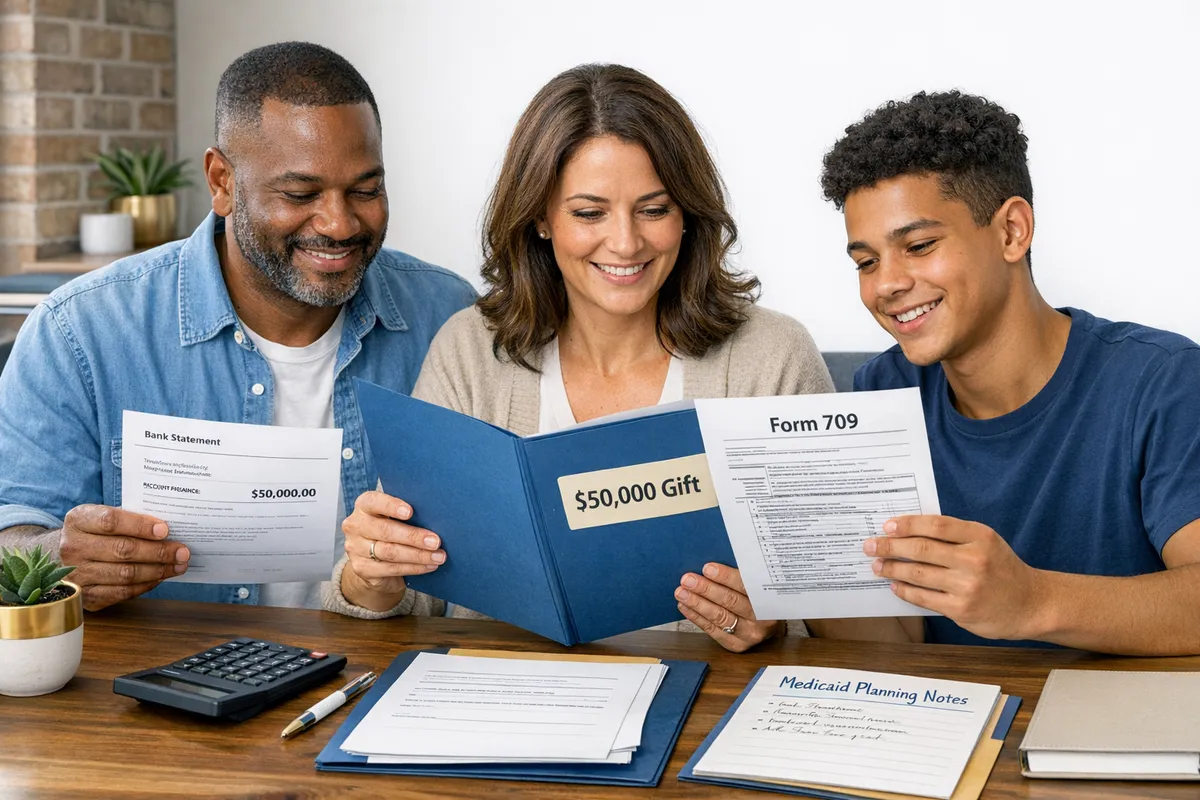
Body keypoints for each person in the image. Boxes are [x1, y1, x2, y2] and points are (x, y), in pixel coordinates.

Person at [324, 64, 836, 651]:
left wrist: (773, 620)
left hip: (705, 709)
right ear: (541, 216)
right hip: (501, 706)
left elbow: (834, 610)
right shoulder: (470, 351)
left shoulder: (773, 359)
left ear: (688, 213)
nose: (625, 242)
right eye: (589, 213)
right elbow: (411, 588)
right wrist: (371, 574)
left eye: (654, 208)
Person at [0, 42, 474, 612]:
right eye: (300, 194)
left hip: (383, 676)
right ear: (222, 181)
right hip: (165, 686)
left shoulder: (447, 316)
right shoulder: (81, 331)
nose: (340, 223)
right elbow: (12, 539)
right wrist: (57, 557)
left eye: (366, 190)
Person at [816, 90, 1200, 655]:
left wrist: (1031, 601)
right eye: (866, 262)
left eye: (919, 245)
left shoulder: (1163, 382)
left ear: (1012, 231)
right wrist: (800, 583)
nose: (885, 285)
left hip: (1117, 728)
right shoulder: (882, 392)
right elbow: (893, 643)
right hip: (949, 723)